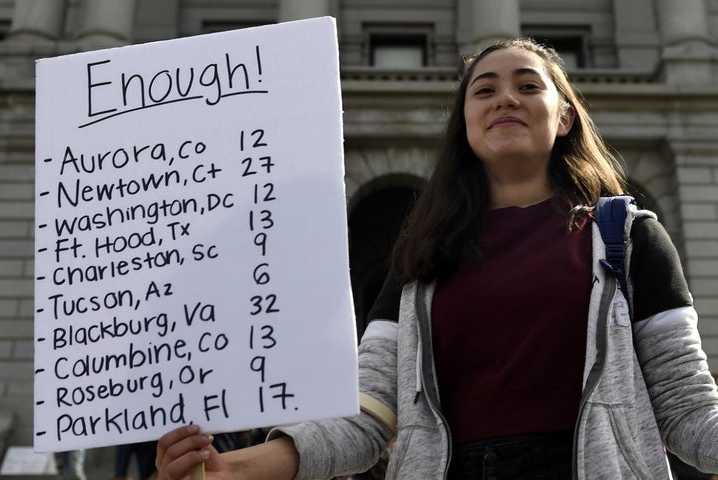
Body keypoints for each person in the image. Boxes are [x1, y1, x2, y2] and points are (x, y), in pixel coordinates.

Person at [154, 37, 718, 479]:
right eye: (484, 89)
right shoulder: (420, 257)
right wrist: (233, 469)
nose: (505, 98)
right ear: (465, 123)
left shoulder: (629, 237)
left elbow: (687, 409)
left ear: (565, 116)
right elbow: (367, 417)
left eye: (528, 85)